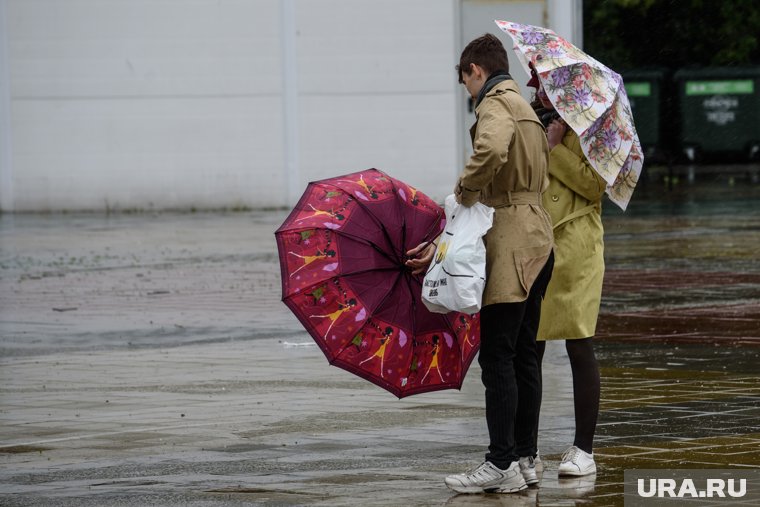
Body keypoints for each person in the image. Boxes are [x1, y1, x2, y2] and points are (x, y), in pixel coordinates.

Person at [406, 33, 554, 494]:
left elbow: (490, 150)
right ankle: (526, 458)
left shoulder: (494, 102)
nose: (468, 92)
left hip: (509, 237)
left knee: (498, 356)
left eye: (466, 82)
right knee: (525, 353)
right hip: (539, 235)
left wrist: (466, 192)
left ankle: (500, 462)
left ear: (475, 70)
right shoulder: (527, 107)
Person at [528, 68, 606, 477]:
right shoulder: (531, 119)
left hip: (576, 247)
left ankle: (583, 449)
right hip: (536, 243)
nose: (533, 90)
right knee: (530, 348)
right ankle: (527, 448)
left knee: (579, 343)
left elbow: (594, 187)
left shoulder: (591, 129)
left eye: (538, 83)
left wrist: (556, 147)